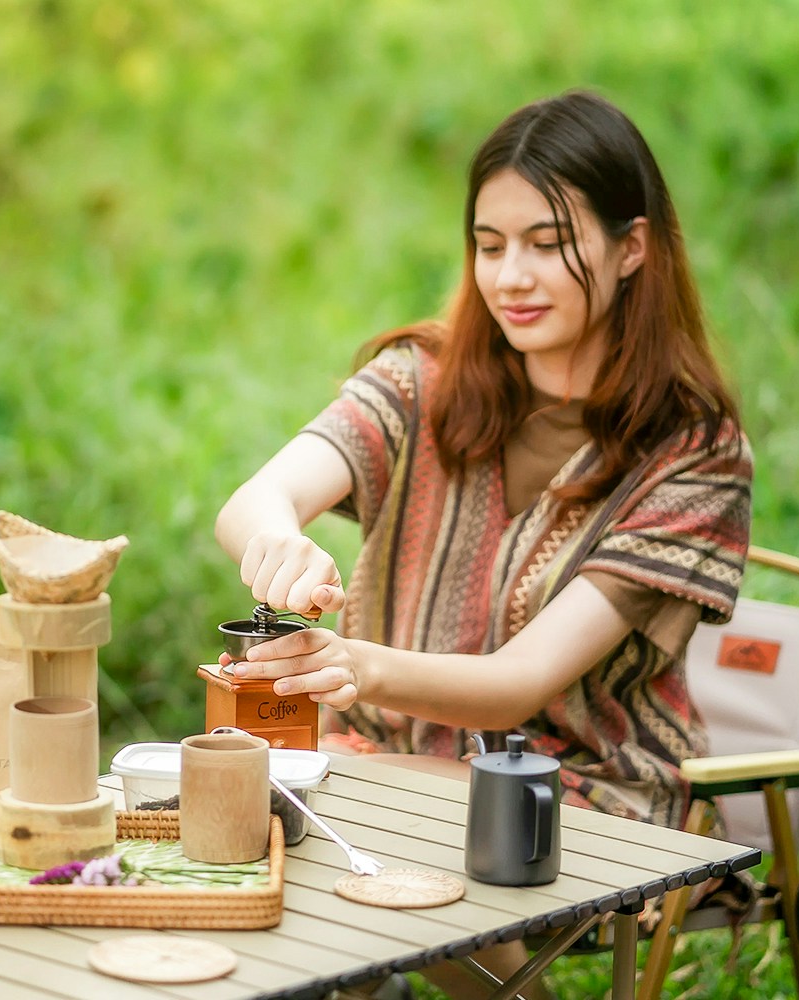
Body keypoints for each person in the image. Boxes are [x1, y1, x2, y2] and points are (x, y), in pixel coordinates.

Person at [214, 89, 752, 835]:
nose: (510, 279)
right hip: (382, 764)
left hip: (575, 794)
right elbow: (256, 499)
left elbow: (516, 685)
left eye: (547, 242)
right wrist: (279, 545)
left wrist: (356, 666)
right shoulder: (422, 379)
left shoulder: (693, 452)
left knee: (340, 847)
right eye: (490, 245)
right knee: (233, 815)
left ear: (633, 247)